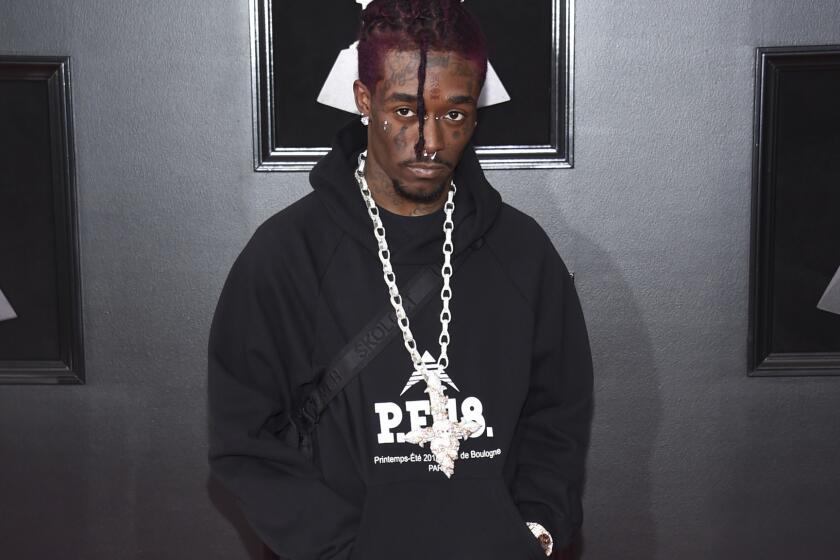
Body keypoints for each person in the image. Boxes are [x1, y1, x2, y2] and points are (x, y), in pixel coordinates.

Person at [207, 1, 593, 558]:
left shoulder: (522, 252)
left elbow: (559, 409)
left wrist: (537, 526)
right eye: (406, 112)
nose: (429, 141)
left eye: (454, 115)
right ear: (365, 100)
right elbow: (245, 440)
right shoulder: (286, 256)